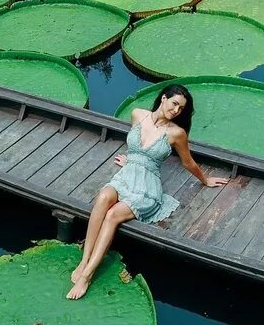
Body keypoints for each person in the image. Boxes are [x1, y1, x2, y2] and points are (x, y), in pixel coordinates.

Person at [67, 84, 229, 300]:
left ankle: (87, 275)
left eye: (181, 109)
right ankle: (84, 260)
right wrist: (132, 159)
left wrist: (206, 179)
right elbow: (136, 145)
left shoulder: (176, 133)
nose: (176, 110)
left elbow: (188, 162)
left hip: (146, 188)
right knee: (104, 197)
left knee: (113, 215)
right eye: (174, 104)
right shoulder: (137, 114)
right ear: (163, 98)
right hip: (125, 176)